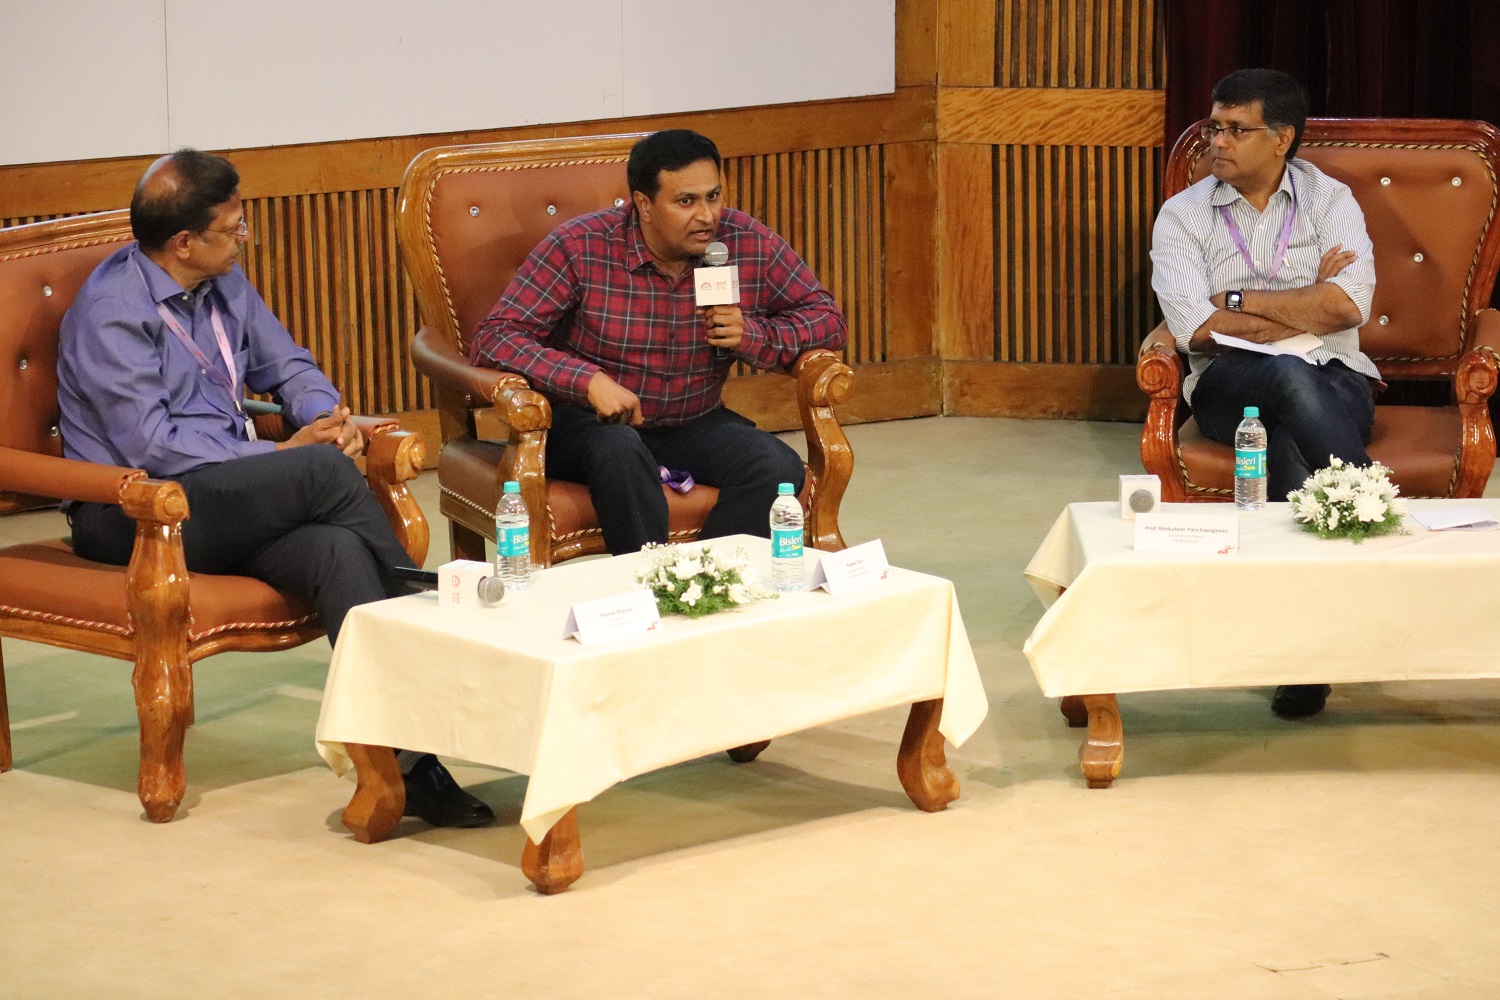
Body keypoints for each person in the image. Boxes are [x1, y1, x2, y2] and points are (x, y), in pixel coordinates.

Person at [57, 148, 493, 827]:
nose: (246, 236)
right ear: (183, 242)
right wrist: (282, 453)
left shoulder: (222, 277)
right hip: (133, 511)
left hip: (222, 494)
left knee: (334, 553)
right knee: (318, 472)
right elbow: (150, 444)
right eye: (233, 227)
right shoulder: (114, 311)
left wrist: (321, 413)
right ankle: (427, 632)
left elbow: (286, 363)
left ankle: (403, 770)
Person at [470, 129, 847, 555]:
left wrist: (755, 335)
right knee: (619, 451)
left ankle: (704, 582)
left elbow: (828, 320)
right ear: (644, 205)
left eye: (713, 196)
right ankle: (647, 588)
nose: (706, 216)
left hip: (695, 420)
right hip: (591, 425)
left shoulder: (744, 241)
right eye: (686, 201)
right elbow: (497, 336)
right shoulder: (582, 246)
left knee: (774, 466)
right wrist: (587, 381)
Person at [1150, 68, 1379, 720]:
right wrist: (1301, 304)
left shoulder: (1330, 201)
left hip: (1338, 376)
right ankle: (1374, 521)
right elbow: (1196, 326)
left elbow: (1345, 307)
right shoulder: (1184, 216)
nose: (1217, 141)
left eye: (1235, 130)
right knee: (1283, 376)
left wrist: (1239, 300)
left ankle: (1300, 657)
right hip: (1229, 381)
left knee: (1287, 432)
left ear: (1281, 139)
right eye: (1215, 127)